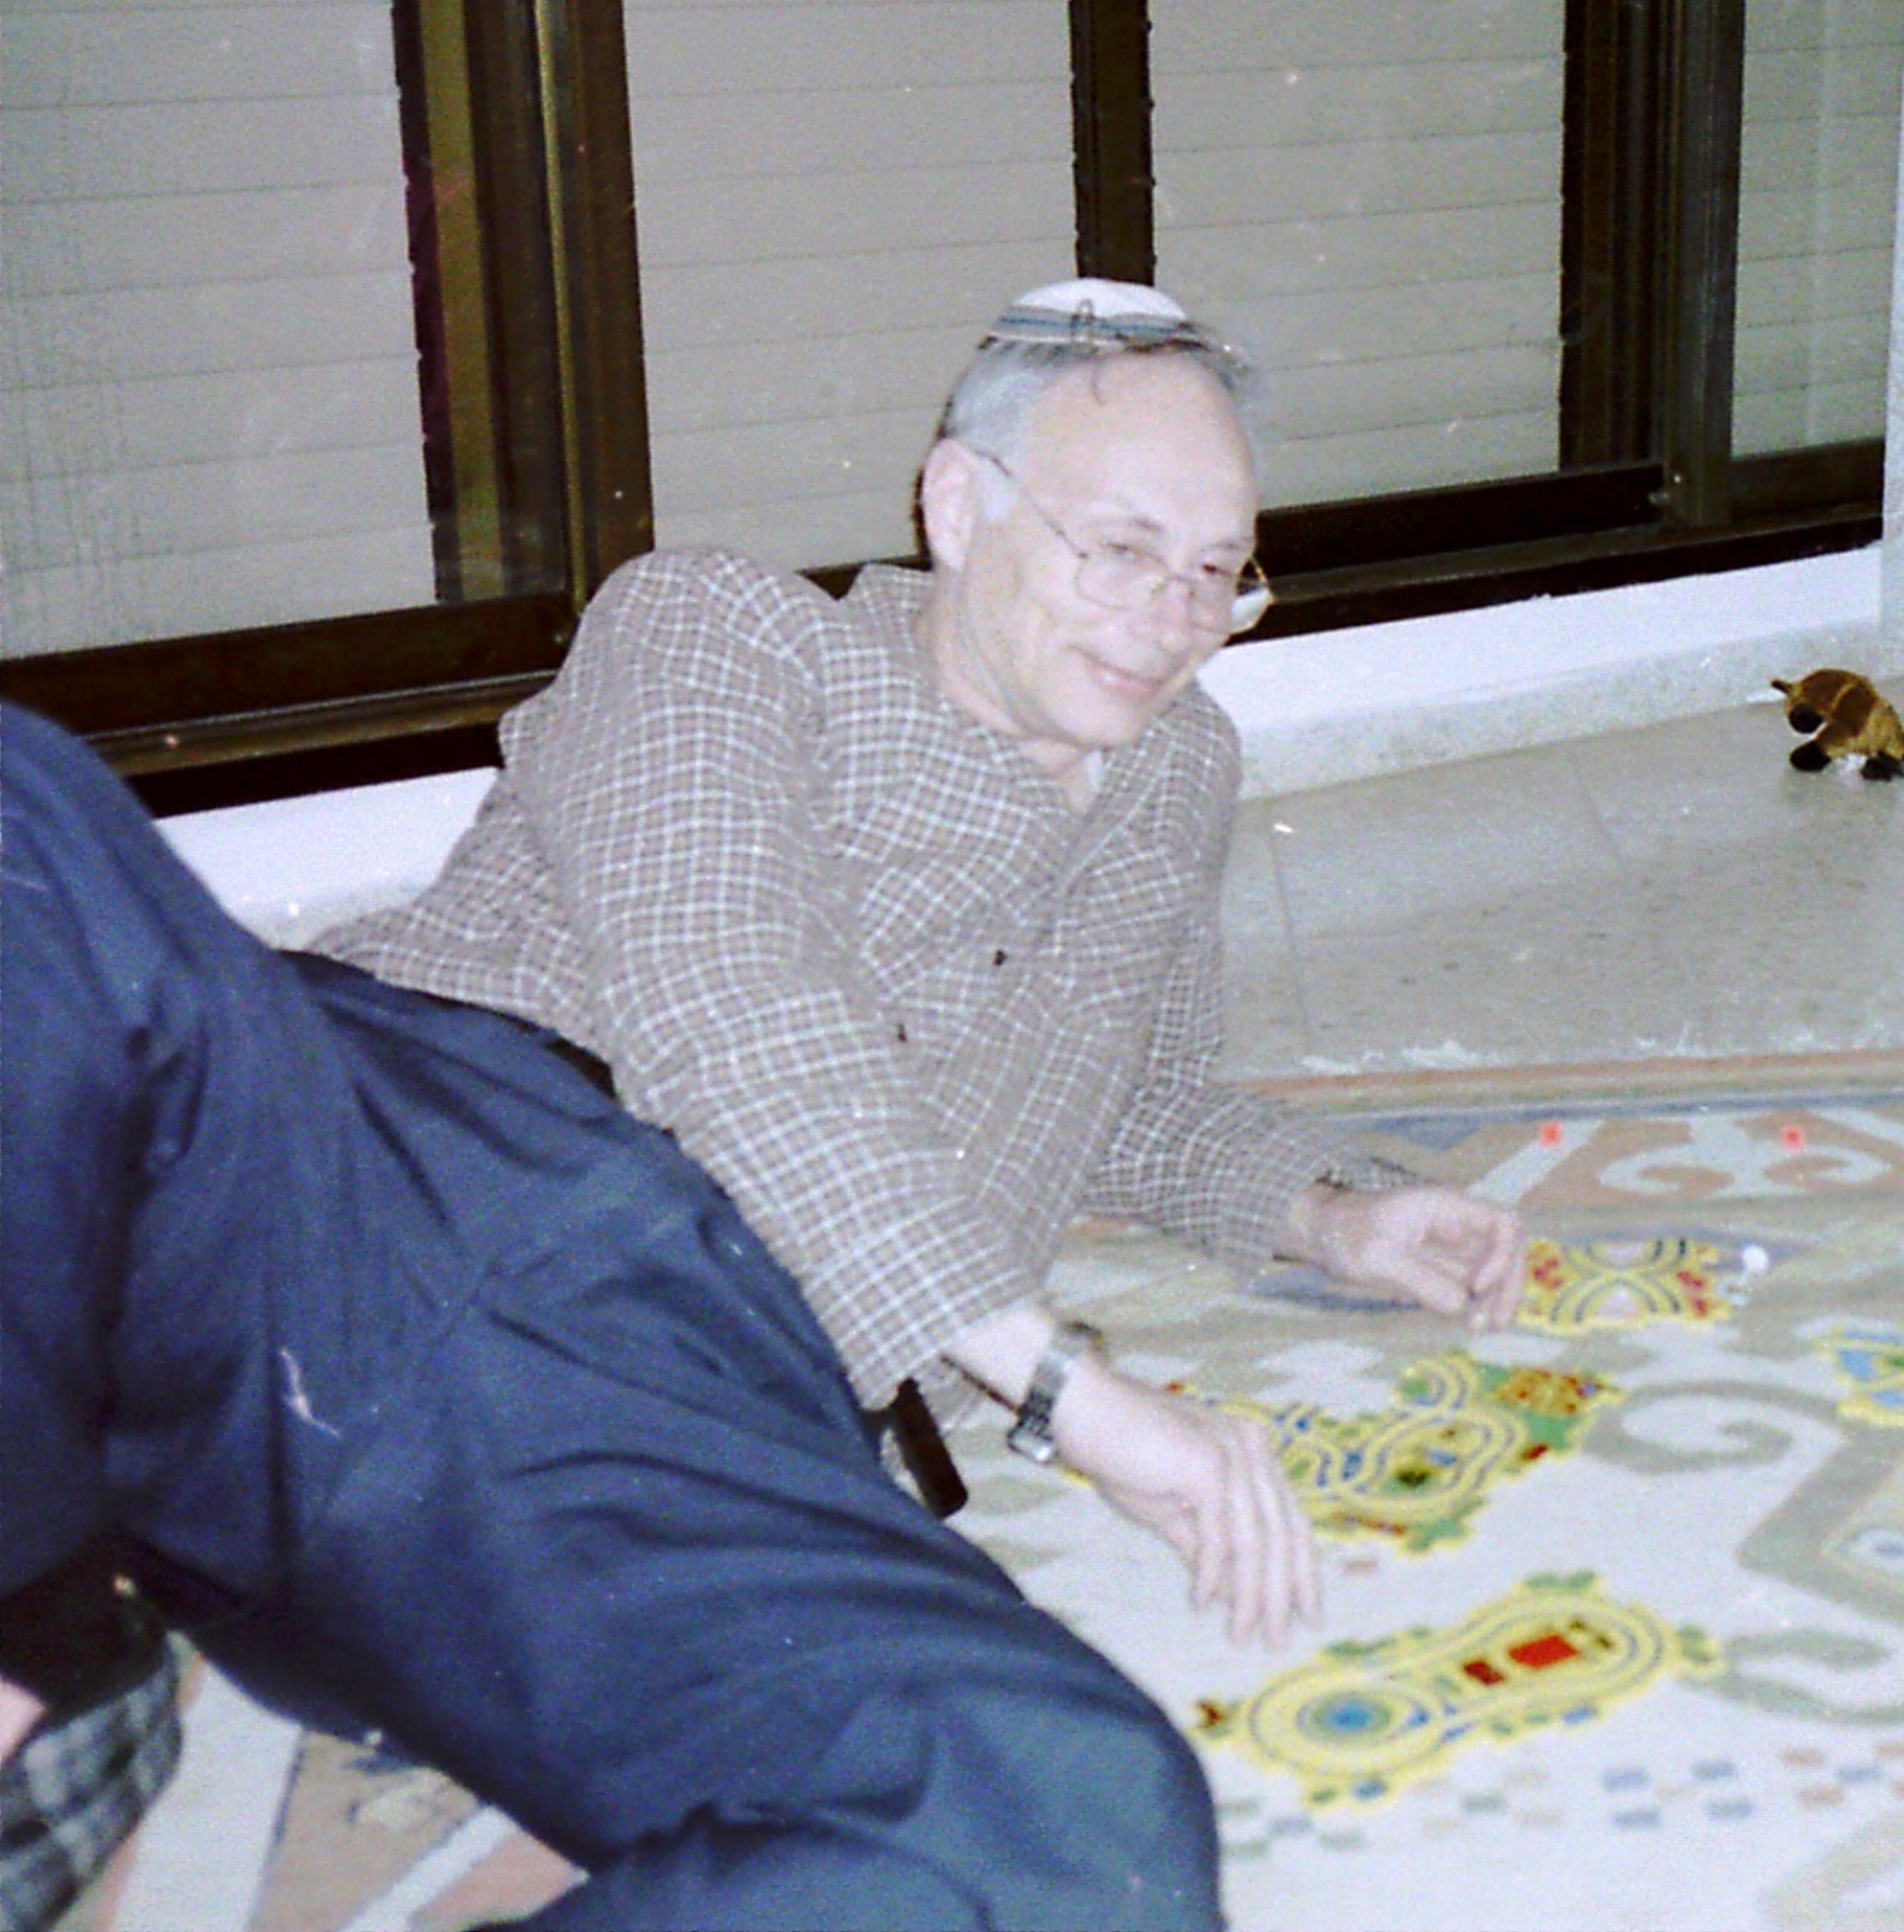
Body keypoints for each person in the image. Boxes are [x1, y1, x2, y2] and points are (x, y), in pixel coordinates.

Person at [0, 280, 1523, 1926]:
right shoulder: (723, 624)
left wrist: (1330, 1212)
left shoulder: (1181, 769)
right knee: (31, 841)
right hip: (400, 1157)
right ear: (958, 503)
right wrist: (1064, 1388)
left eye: (1219, 573)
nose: (1173, 615)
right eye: (1121, 550)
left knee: (1069, 1821)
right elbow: (732, 1003)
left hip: (682, 1413)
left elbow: (1133, 1099)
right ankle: (38, 1624)